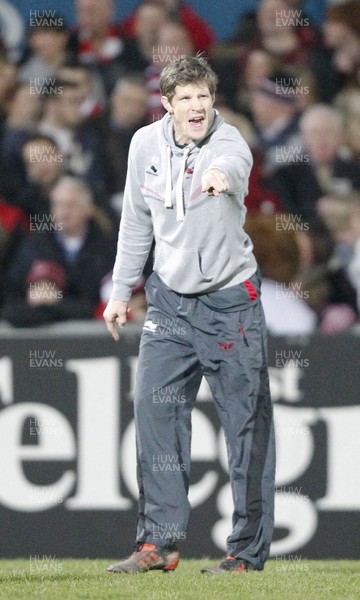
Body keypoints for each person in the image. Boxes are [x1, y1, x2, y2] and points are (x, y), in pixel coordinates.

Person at [103, 55, 275, 575]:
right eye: (188, 99)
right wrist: (119, 291)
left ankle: (244, 553)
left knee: (245, 428)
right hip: (169, 303)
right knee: (155, 414)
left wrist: (220, 178)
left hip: (229, 303)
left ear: (213, 99)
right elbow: (136, 222)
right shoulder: (144, 145)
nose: (198, 106)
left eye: (205, 96)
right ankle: (160, 543)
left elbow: (233, 165)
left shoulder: (230, 142)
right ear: (168, 104)